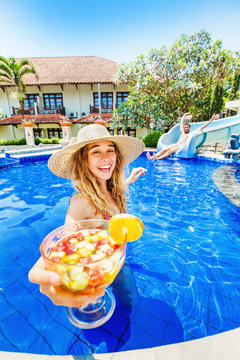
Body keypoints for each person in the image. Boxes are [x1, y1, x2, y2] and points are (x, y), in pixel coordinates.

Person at [28, 124, 146, 307]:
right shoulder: (81, 202)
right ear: (84, 161)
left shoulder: (112, 189)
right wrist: (46, 267)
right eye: (96, 152)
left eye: (110, 150)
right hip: (105, 267)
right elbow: (66, 239)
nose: (106, 157)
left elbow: (115, 197)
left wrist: (129, 180)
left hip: (117, 260)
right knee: (131, 303)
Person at [146, 113, 220, 160]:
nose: (186, 128)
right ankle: (153, 157)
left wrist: (211, 120)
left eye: (187, 127)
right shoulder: (182, 132)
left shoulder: (190, 134)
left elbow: (202, 127)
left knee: (170, 151)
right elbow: (181, 123)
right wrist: (184, 115)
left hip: (180, 147)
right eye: (185, 127)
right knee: (166, 148)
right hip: (176, 144)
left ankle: (157, 158)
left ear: (189, 128)